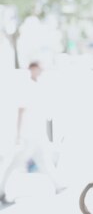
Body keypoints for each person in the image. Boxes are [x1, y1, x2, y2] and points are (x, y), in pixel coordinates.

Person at [0, 62, 64, 204]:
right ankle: (1, 190)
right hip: (28, 133)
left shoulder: (37, 85)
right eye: (37, 69)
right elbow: (21, 111)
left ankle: (58, 185)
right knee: (16, 162)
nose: (40, 71)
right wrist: (18, 134)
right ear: (31, 69)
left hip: (36, 133)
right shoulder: (27, 86)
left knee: (44, 161)